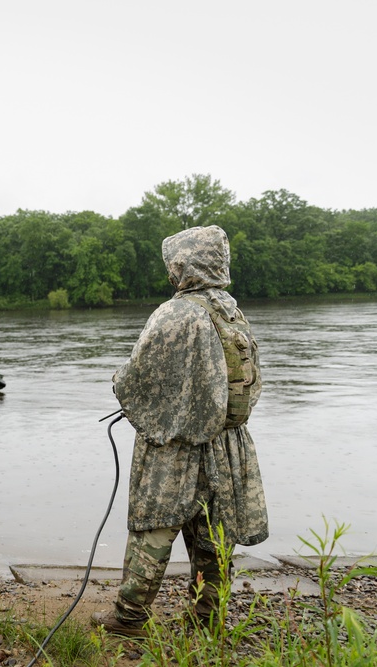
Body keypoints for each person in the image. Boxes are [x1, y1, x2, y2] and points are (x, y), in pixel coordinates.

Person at [92, 225, 268, 637]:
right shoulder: (231, 309)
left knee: (154, 525)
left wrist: (120, 383)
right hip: (227, 442)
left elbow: (138, 377)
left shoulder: (175, 314)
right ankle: (207, 616)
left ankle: (129, 617)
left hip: (177, 444)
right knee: (213, 530)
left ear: (183, 265)